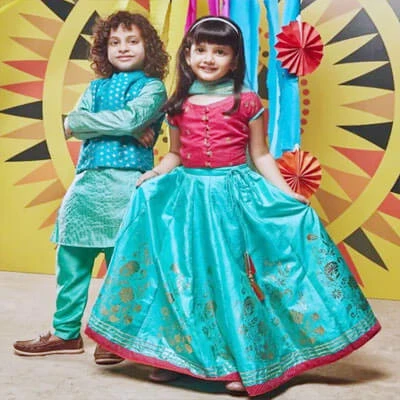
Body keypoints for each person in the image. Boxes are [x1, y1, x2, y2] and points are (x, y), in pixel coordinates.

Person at [85, 16, 380, 396]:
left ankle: (246, 361)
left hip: (232, 199)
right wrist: (154, 174)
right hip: (188, 200)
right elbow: (175, 154)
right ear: (187, 54)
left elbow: (261, 155)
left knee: (232, 279)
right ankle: (178, 358)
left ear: (235, 59)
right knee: (185, 277)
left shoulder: (246, 100)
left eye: (219, 51)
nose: (208, 58)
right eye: (200, 50)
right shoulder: (178, 103)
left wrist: (286, 193)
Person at [13, 11, 169, 365]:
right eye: (114, 42)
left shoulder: (152, 88)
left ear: (149, 47)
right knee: (71, 261)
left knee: (121, 265)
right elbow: (75, 123)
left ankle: (114, 336)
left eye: (132, 41)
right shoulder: (95, 88)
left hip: (126, 185)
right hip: (85, 185)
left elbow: (128, 118)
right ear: (103, 50)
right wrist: (118, 126)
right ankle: (65, 333)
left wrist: (98, 122)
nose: (123, 48)